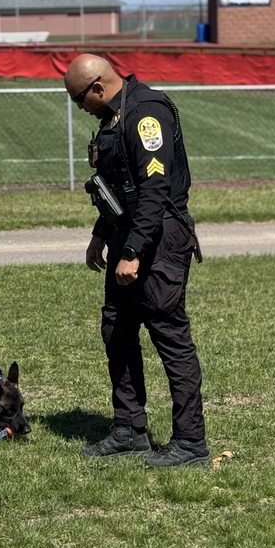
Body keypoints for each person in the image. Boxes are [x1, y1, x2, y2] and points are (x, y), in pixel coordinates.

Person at [64, 54, 209, 468]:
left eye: (79, 100)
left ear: (97, 87)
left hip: (159, 238)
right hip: (127, 233)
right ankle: (130, 429)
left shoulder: (146, 113)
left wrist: (133, 252)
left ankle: (190, 442)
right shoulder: (112, 117)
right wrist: (100, 234)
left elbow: (155, 188)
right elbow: (117, 186)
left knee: (170, 336)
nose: (80, 109)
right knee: (117, 330)